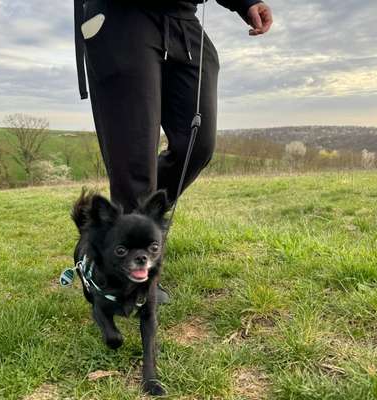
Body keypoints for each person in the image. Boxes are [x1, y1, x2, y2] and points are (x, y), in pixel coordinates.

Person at [74, 0, 272, 301]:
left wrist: (245, 3)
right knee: (134, 159)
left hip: (183, 18)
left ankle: (116, 231)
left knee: (197, 145)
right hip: (121, 17)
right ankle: (127, 277)